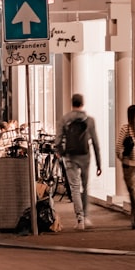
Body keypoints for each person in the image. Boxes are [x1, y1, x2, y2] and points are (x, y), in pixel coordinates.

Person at [56, 93, 102, 230]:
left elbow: (58, 140)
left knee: (75, 188)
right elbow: (95, 143)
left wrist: (61, 153)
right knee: (85, 186)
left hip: (70, 157)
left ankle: (80, 219)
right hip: (85, 157)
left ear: (72, 103)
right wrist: (99, 163)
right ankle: (86, 217)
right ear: (83, 103)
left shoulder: (65, 119)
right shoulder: (90, 120)